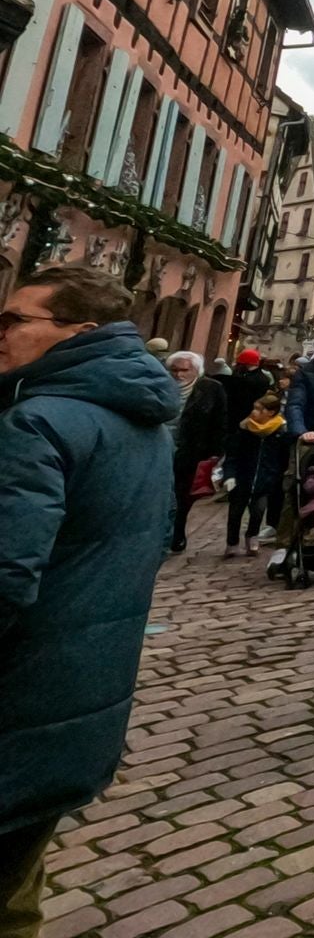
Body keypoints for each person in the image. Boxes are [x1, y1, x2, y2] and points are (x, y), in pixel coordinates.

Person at [0, 265, 184, 934]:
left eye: (14, 320)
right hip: (82, 691)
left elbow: (4, 575)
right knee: (17, 877)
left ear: (79, 333)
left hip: (18, 691)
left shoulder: (36, 420)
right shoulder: (145, 420)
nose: (1, 332)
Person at [167, 349, 229, 552]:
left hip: (192, 453)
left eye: (184, 370)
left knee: (182, 497)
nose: (178, 375)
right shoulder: (162, 388)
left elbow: (219, 422)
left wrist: (216, 453)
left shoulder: (211, 389)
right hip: (162, 450)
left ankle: (177, 532)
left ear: (196, 371)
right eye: (174, 370)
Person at [221, 391, 289, 557]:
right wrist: (229, 475)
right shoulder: (244, 429)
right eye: (254, 408)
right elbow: (232, 455)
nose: (254, 412)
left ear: (270, 413)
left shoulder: (280, 432)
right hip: (242, 478)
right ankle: (232, 543)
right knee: (235, 513)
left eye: (259, 409)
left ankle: (252, 536)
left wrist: (278, 477)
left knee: (258, 512)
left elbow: (283, 459)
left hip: (266, 479)